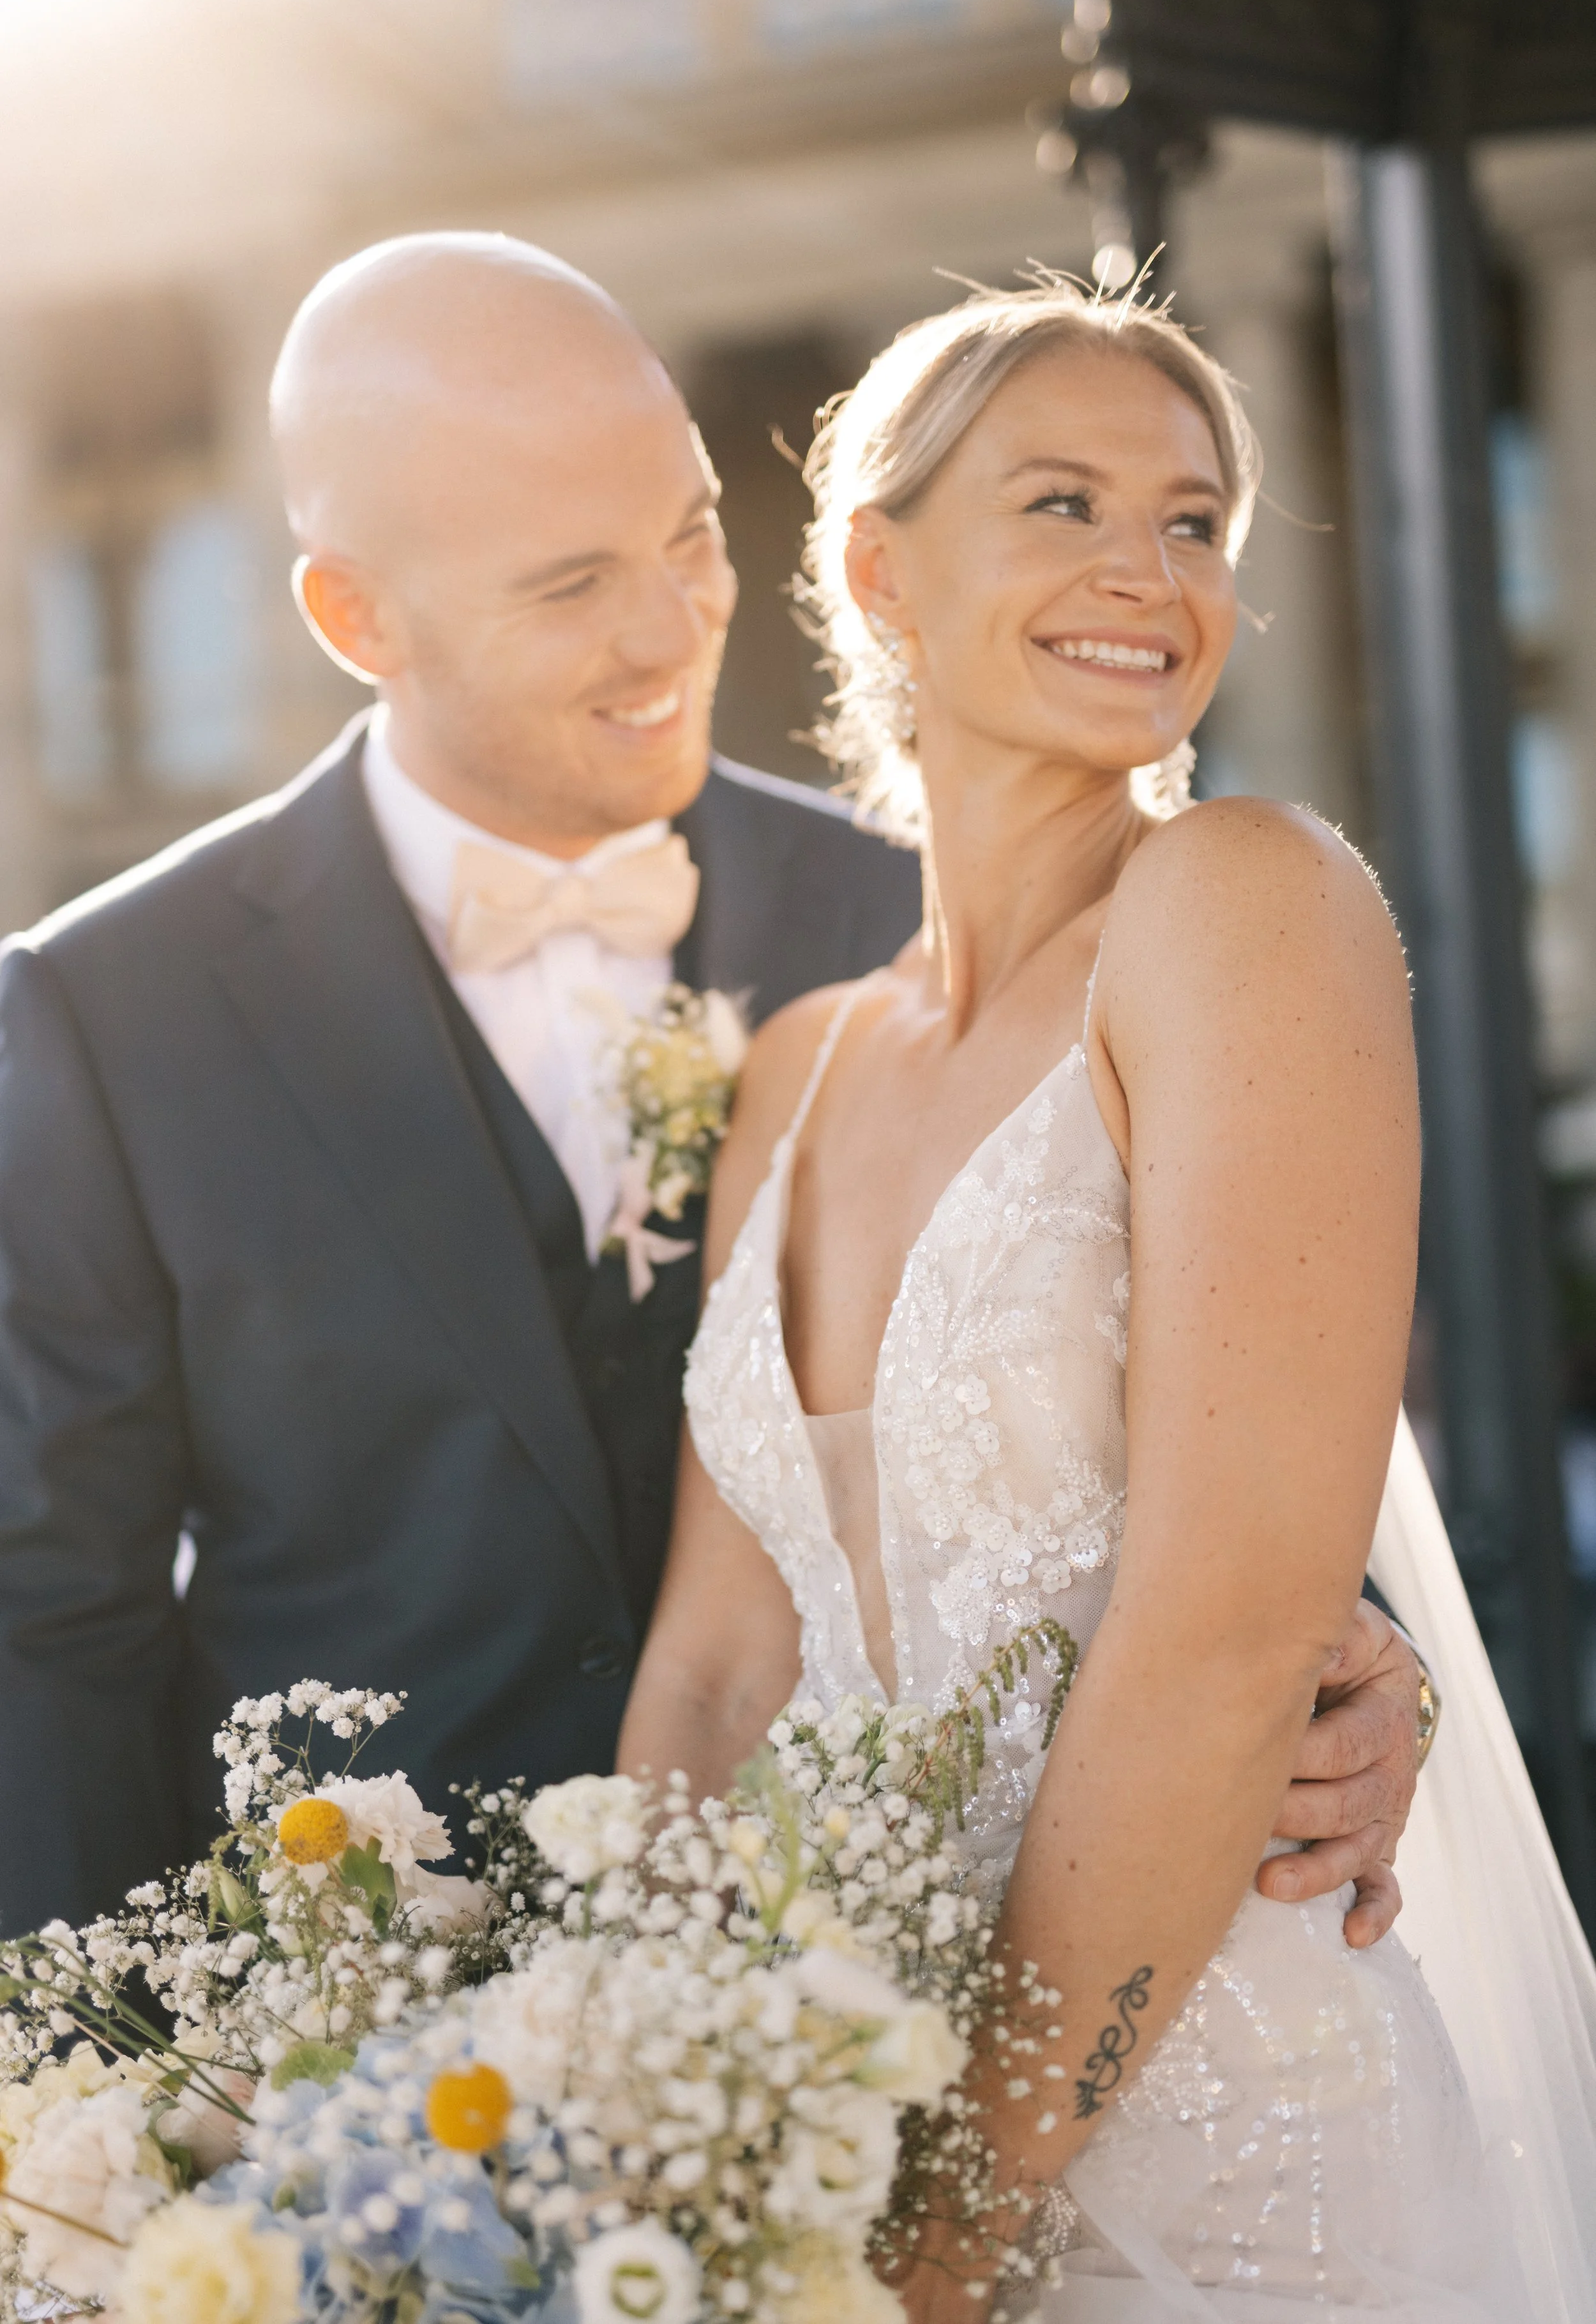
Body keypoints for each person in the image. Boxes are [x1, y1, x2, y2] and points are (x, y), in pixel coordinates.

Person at [0, 237, 1413, 1951]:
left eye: (688, 538)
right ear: (356, 615)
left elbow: (1223, 1385)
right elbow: (52, 1627)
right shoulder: (99, 1015)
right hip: (333, 2049)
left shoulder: (927, 908)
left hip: (899, 1983)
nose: (670, 630)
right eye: (567, 583)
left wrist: (1349, 1649)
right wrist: (93, 2103)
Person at [619, 279, 1596, 2316]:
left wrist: (943, 2232)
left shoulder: (1243, 901)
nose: (1146, 575)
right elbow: (718, 1667)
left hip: (1226, 2155)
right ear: (878, 571)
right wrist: (654, 2128)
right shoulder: (793, 1064)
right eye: (1061, 501)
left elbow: (1235, 1634)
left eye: (1193, 521)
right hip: (835, 2143)